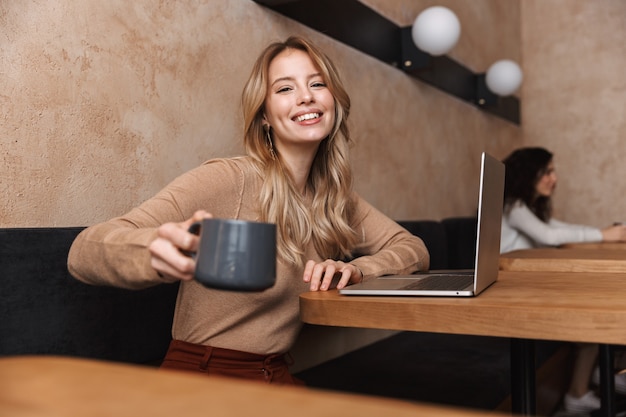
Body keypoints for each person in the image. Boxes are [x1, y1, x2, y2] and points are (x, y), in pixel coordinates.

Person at [67, 36, 429, 385]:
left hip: (274, 375)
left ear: (333, 100)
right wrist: (154, 252)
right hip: (202, 378)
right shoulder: (230, 178)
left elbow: (413, 250)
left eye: (317, 84)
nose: (305, 97)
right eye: (285, 89)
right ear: (265, 118)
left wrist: (357, 270)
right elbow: (83, 251)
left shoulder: (335, 200)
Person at [500, 146, 626, 413]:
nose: (554, 178)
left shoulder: (530, 208)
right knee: (592, 317)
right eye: (547, 171)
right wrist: (604, 236)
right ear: (528, 173)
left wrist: (606, 233)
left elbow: (562, 229)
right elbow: (549, 237)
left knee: (593, 305)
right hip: (510, 290)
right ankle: (582, 390)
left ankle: (591, 381)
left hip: (527, 285)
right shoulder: (514, 206)